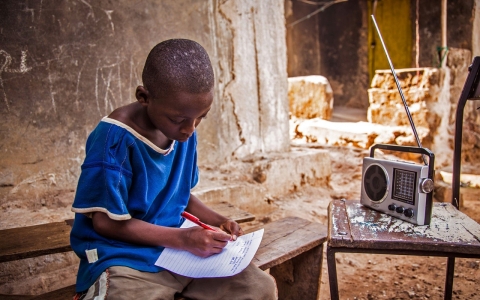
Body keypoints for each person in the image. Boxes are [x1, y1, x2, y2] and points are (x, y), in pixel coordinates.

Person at [70, 39, 277, 300]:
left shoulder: (182, 131)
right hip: (123, 255)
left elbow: (179, 195)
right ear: (144, 97)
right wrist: (184, 240)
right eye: (179, 119)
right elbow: (105, 222)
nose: (190, 128)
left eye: (201, 117)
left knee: (259, 288)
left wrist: (218, 221)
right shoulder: (114, 139)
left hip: (177, 253)